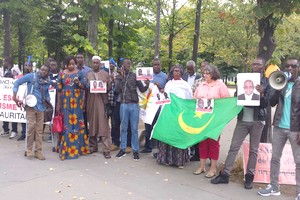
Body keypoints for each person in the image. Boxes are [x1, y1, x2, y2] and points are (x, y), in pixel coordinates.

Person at [211, 57, 269, 189]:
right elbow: (238, 98)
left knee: (254, 150)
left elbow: (267, 104)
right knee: (234, 147)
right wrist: (239, 92)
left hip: (257, 121)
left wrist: (263, 93)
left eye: (258, 64)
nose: (255, 66)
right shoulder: (244, 78)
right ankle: (225, 174)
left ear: (263, 66)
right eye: (254, 64)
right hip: (243, 119)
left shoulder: (266, 82)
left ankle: (249, 177)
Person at [258, 58, 300, 200]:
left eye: (293, 66)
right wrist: (277, 87)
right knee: (275, 158)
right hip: (279, 127)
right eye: (287, 66)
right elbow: (272, 102)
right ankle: (274, 187)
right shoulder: (282, 82)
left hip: (295, 129)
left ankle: (299, 192)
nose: (289, 68)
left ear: (297, 68)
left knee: (298, 161)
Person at [193, 64, 230, 177]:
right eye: (204, 73)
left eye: (207, 73)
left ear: (213, 73)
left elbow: (226, 101)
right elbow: (194, 98)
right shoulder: (201, 85)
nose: (205, 75)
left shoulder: (220, 85)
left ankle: (213, 168)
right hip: (202, 118)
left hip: (215, 119)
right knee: (203, 142)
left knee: (213, 143)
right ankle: (202, 166)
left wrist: (214, 101)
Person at [156, 65, 192, 168]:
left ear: (181, 73)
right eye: (174, 71)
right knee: (168, 135)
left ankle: (179, 160)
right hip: (169, 113)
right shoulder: (168, 84)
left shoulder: (185, 85)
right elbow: (165, 97)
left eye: (178, 71)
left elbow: (189, 98)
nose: (175, 72)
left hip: (180, 113)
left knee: (178, 135)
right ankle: (166, 158)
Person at [13, 65, 51, 160]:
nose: (43, 71)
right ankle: (29, 150)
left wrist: (48, 101)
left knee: (39, 130)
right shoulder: (31, 76)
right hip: (31, 106)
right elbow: (17, 82)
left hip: (41, 107)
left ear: (48, 72)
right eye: (42, 69)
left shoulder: (47, 81)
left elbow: (46, 93)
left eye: (45, 70)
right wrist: (14, 95)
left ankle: (38, 151)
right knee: (31, 127)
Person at [114, 58, 150, 161]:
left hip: (134, 105)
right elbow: (117, 90)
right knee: (124, 128)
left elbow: (142, 89)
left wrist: (147, 84)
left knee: (134, 129)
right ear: (122, 65)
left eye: (129, 63)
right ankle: (123, 149)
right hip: (124, 105)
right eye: (126, 64)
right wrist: (120, 78)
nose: (128, 65)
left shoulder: (135, 76)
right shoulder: (119, 76)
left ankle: (135, 150)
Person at [56, 55, 89, 160]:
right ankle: (66, 148)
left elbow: (85, 87)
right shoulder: (62, 73)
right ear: (66, 64)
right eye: (69, 64)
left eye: (73, 64)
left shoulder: (79, 73)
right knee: (67, 124)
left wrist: (78, 83)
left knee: (76, 123)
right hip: (65, 102)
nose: (71, 66)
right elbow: (59, 89)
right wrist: (58, 104)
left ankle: (77, 148)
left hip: (76, 102)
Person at [86, 56, 112, 158]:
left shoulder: (105, 74)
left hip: (102, 101)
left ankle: (106, 149)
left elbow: (110, 88)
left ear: (100, 64)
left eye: (97, 63)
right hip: (91, 102)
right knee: (92, 124)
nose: (95, 64)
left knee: (103, 125)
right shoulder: (88, 75)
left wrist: (107, 84)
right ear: (92, 64)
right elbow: (86, 89)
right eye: (94, 63)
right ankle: (93, 146)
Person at [140, 58, 167, 154]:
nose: (156, 66)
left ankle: (159, 148)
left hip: (159, 105)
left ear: (161, 65)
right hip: (148, 105)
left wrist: (160, 87)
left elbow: (166, 90)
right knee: (148, 125)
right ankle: (148, 146)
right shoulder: (148, 75)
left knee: (158, 126)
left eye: (157, 65)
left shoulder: (164, 76)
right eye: (154, 64)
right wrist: (147, 84)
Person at [0, 57, 18, 139]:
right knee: (5, 110)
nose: (3, 63)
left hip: (12, 93)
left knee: (13, 112)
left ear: (7, 61)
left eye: (4, 61)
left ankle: (14, 130)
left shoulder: (14, 69)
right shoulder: (4, 70)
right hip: (6, 94)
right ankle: (5, 129)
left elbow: (17, 79)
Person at [76, 53, 91, 136]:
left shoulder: (88, 70)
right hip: (75, 96)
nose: (79, 59)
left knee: (85, 116)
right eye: (78, 57)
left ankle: (85, 133)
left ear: (84, 59)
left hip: (85, 95)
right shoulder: (73, 70)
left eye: (81, 57)